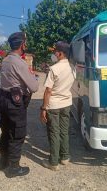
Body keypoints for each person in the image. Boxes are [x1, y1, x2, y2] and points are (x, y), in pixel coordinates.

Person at [0, 32, 39, 178]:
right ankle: (13, 168)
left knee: (6, 130)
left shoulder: (5, 60)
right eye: (25, 43)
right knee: (17, 134)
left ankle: (3, 162)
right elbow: (34, 87)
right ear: (22, 45)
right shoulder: (19, 63)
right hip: (15, 102)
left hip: (3, 98)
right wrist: (35, 77)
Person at [40, 41, 75, 171]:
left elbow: (48, 91)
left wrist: (43, 108)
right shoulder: (72, 67)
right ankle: (65, 157)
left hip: (54, 105)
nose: (54, 54)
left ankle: (53, 162)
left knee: (54, 132)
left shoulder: (54, 69)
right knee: (64, 131)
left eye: (55, 52)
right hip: (66, 103)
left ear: (60, 53)